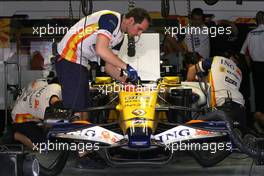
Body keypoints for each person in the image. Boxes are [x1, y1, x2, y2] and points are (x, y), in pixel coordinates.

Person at [55, 8, 151, 117]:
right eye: (139, 29)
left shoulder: (119, 38)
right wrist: (127, 67)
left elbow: (109, 67)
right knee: (76, 111)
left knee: (85, 109)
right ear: (131, 21)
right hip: (68, 56)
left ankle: (84, 131)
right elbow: (101, 50)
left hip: (80, 62)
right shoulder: (111, 19)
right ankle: (71, 132)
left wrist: (127, 80)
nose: (139, 34)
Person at [186, 54, 246, 129]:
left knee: (191, 124)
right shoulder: (239, 72)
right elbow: (213, 81)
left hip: (224, 110)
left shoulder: (217, 59)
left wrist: (189, 87)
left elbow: (191, 70)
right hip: (241, 110)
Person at [0, 81, 62, 150]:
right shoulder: (45, 109)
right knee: (42, 146)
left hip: (22, 105)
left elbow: (33, 85)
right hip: (18, 117)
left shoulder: (55, 87)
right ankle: (14, 135)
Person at [240, 11, 264, 130]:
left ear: (256, 20)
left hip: (256, 66)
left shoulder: (251, 33)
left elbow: (244, 53)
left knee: (258, 92)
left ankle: (259, 117)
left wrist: (250, 66)